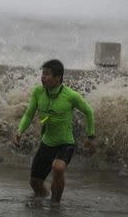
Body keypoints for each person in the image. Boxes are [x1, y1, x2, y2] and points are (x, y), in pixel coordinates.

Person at [13, 59, 95, 203]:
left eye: (47, 74)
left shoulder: (71, 96)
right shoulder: (38, 92)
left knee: (58, 168)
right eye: (42, 73)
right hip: (47, 142)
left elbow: (89, 112)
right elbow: (29, 114)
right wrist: (20, 131)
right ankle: (43, 200)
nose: (43, 77)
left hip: (65, 143)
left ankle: (55, 205)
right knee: (35, 183)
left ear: (58, 77)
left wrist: (91, 136)